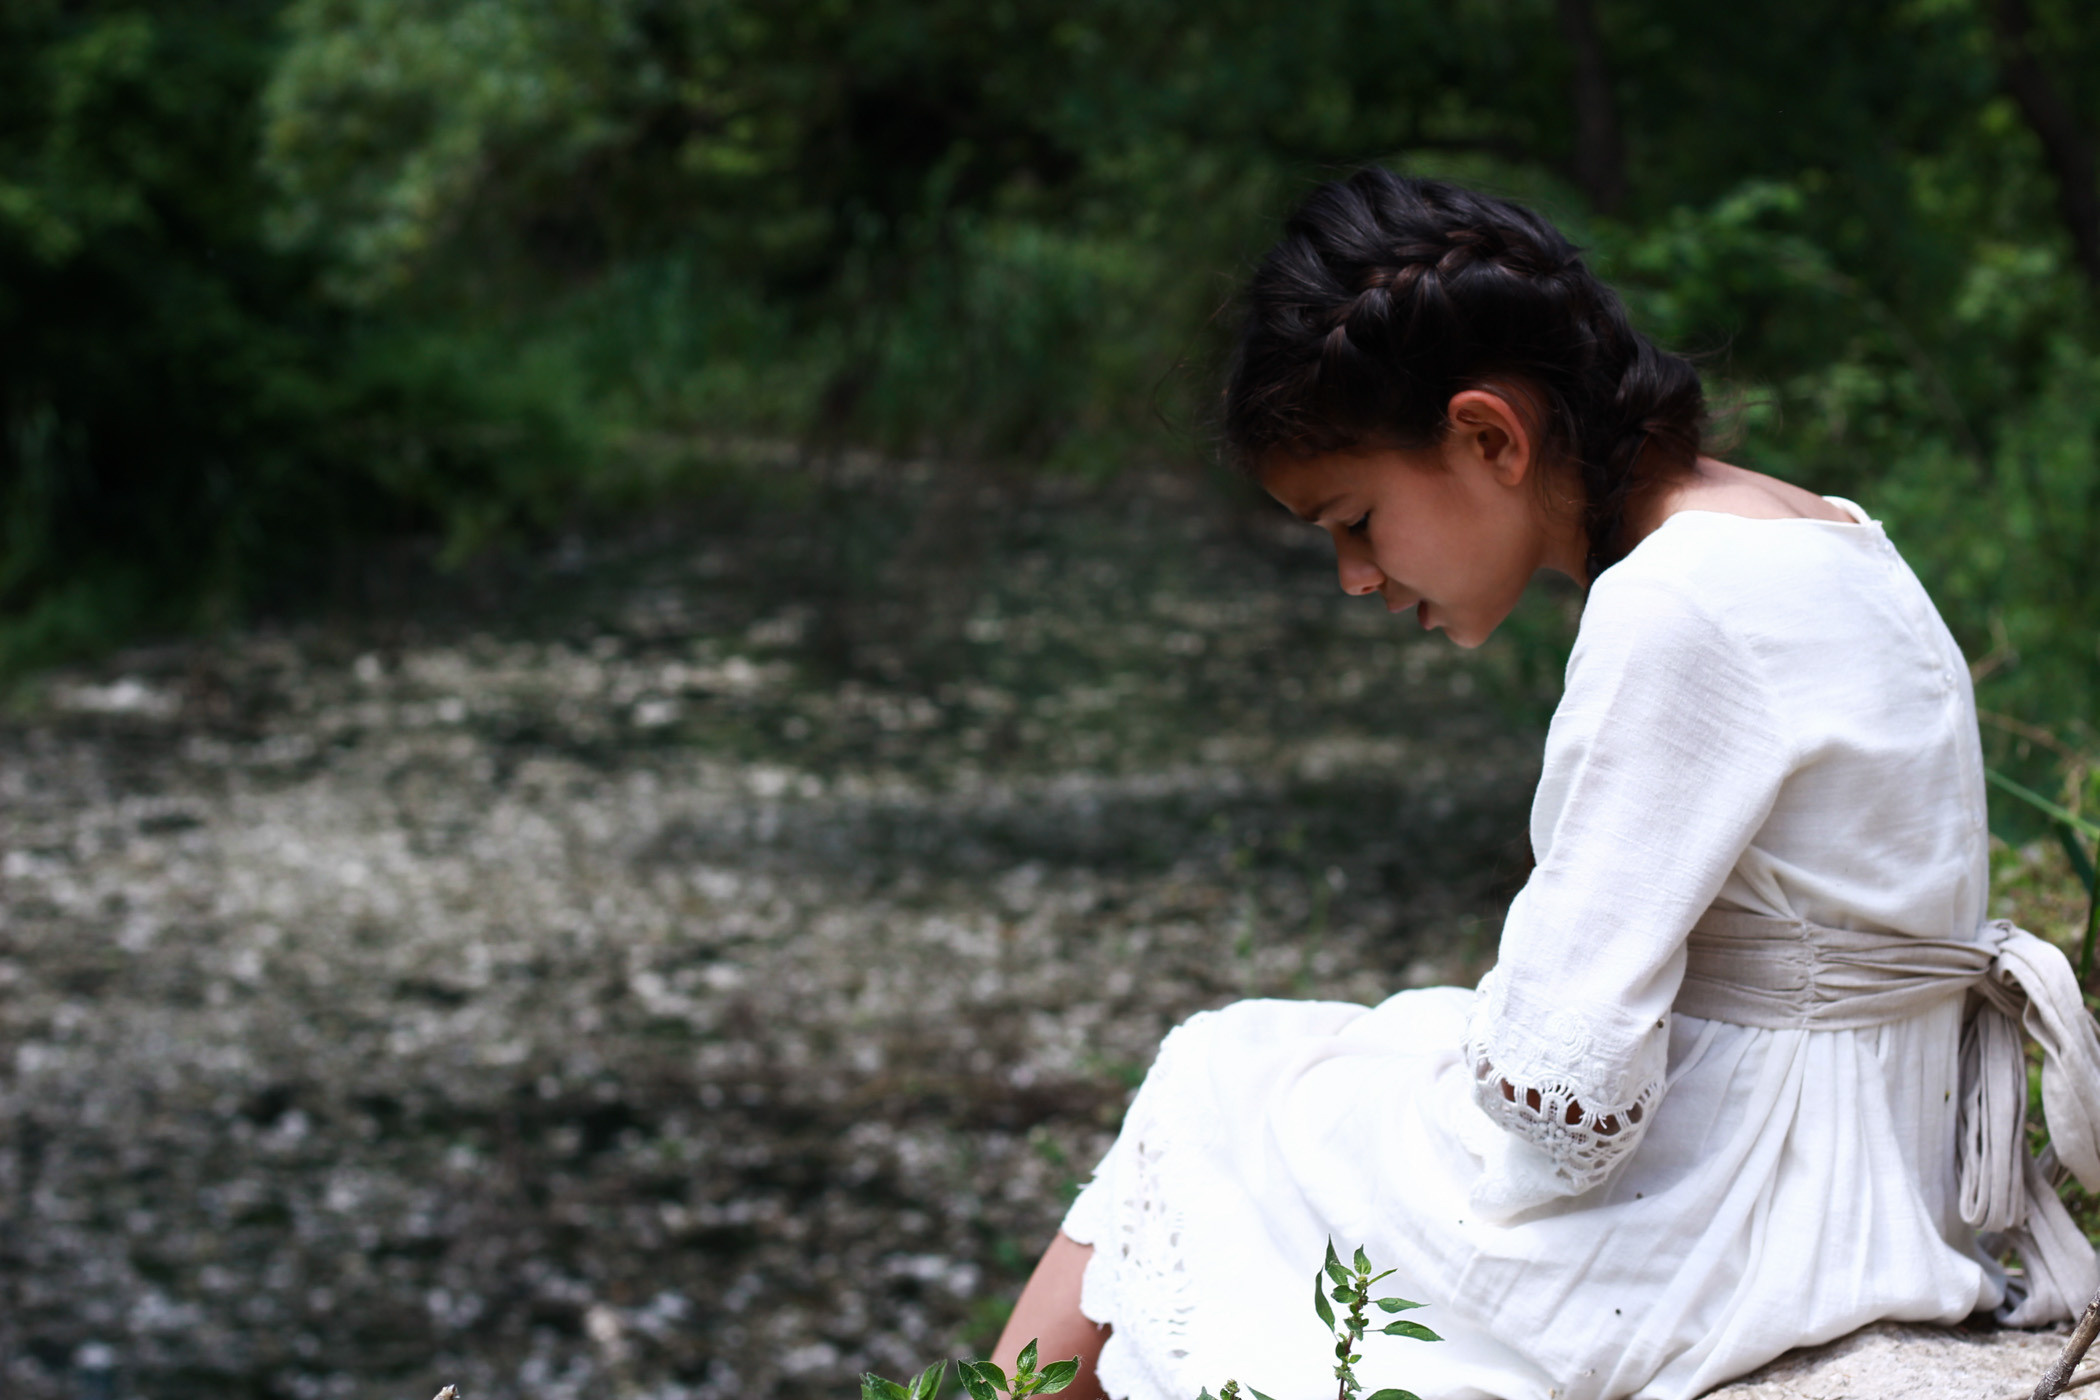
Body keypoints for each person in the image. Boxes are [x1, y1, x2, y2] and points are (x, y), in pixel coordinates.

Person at [987, 170, 2100, 1400]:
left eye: (1356, 519)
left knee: (1212, 1078)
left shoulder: (1671, 606)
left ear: (1488, 437)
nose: (1354, 575)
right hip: (1878, 1159)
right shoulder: (1829, 530)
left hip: (1753, 1220)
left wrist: (1462, 1053)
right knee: (1307, 1060)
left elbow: (1564, 1104)